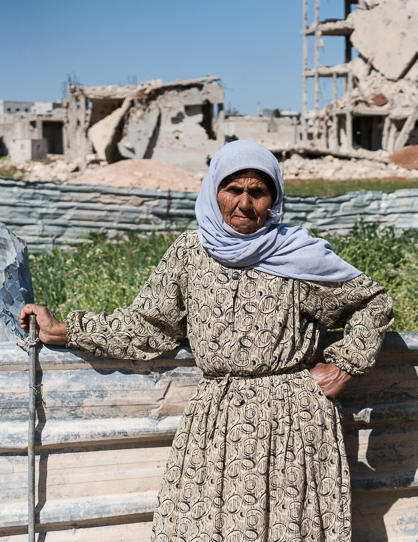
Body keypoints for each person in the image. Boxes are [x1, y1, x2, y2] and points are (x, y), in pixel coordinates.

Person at [20, 139, 394, 542]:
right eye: (233, 190)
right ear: (214, 190)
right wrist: (67, 330)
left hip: (292, 422)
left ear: (274, 199)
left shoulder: (299, 256)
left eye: (258, 192)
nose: (244, 204)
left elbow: (373, 302)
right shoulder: (190, 254)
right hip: (218, 422)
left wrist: (344, 367)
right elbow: (148, 325)